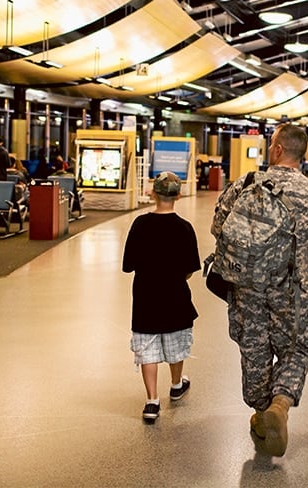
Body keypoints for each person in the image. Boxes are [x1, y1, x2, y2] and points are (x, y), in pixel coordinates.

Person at [211, 123, 308, 457]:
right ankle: (280, 406)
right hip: (292, 290)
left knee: (254, 351)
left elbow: (219, 228)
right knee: (298, 349)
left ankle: (261, 413)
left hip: (247, 288)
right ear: (303, 155)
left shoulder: (245, 184)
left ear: (276, 150)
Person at [122, 171, 200, 424]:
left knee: (148, 349)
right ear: (178, 195)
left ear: (153, 193)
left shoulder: (140, 225)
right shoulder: (185, 228)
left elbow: (128, 265)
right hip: (176, 296)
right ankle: (176, 385)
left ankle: (152, 401)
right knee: (177, 343)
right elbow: (190, 268)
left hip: (145, 297)